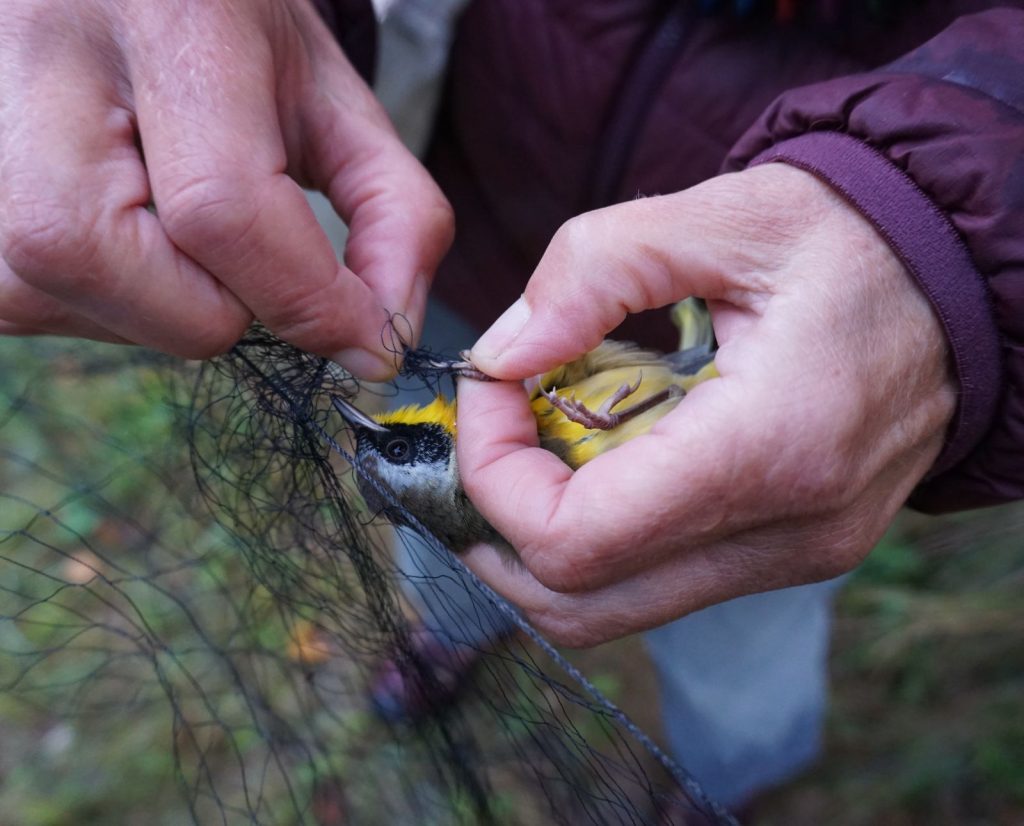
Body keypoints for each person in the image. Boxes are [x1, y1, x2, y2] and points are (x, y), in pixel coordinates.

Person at [1, 0, 1021, 810]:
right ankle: (449, 632)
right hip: (465, 230)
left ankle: (720, 776)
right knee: (429, 488)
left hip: (769, 362)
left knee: (739, 608)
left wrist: (933, 239)